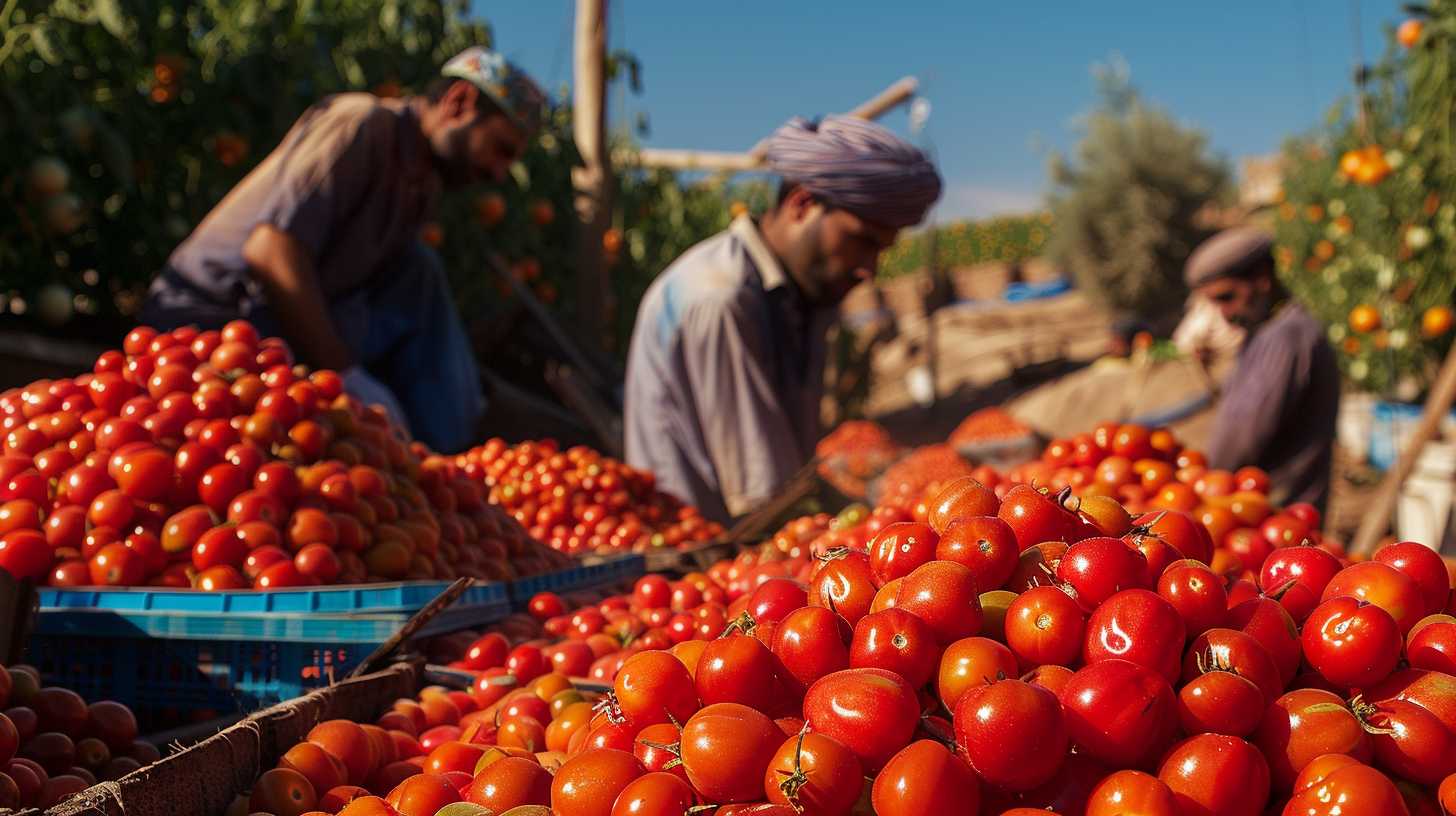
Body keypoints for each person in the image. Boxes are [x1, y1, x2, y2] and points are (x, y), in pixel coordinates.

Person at [140, 48, 544, 453]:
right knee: (420, 273)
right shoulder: (361, 124)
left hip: (280, 329)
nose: (499, 172)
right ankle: (443, 445)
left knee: (420, 269)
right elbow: (269, 250)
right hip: (214, 319)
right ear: (459, 103)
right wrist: (345, 372)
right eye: (501, 149)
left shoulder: (422, 185)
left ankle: (444, 452)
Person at [624, 115, 942, 523]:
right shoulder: (722, 297)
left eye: (880, 251)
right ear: (802, 204)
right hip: (696, 556)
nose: (869, 269)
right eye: (860, 240)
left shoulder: (799, 294)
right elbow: (766, 497)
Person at [1188, 227, 1341, 511]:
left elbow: (1241, 435)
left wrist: (1200, 487)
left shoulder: (1287, 337)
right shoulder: (1267, 332)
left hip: (1278, 510)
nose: (1224, 313)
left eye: (1226, 297)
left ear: (1261, 281)